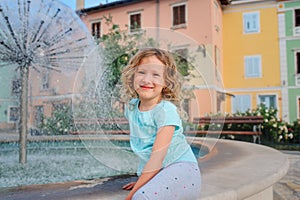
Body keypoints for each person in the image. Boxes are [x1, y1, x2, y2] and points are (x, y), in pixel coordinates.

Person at [121, 48, 201, 200]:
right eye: (141, 72)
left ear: (166, 82)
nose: (146, 80)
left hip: (183, 170)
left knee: (142, 198)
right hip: (161, 172)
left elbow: (157, 159)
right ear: (132, 76)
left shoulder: (165, 111)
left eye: (156, 75)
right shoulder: (131, 107)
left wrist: (131, 196)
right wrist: (145, 180)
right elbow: (145, 149)